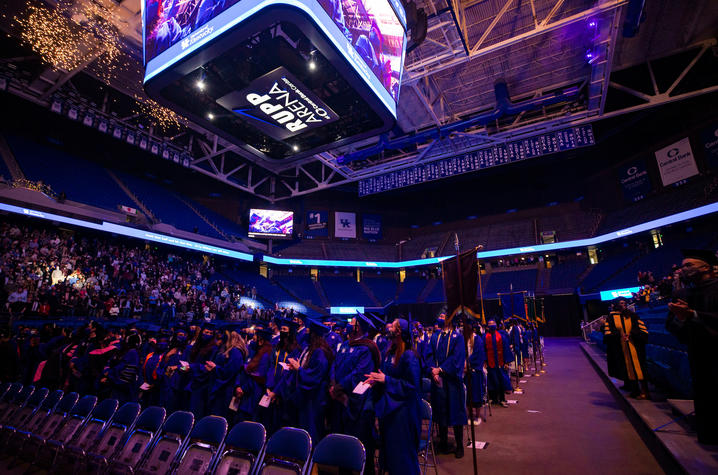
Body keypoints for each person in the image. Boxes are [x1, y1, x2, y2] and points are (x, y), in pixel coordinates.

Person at [666, 249, 718, 445]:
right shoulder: (682, 293)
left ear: (705, 266)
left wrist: (693, 315)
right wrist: (681, 319)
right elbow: (670, 324)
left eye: (689, 265)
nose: (683, 269)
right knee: (704, 396)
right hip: (698, 353)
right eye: (682, 265)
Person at [366, 318, 421, 475]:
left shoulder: (409, 355)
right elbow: (386, 375)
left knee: (402, 458)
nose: (389, 328)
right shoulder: (390, 351)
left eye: (393, 326)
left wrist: (386, 380)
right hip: (390, 411)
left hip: (404, 414)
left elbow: (411, 386)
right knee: (390, 455)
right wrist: (377, 378)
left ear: (399, 332)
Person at [330, 312, 380, 475]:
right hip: (339, 400)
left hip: (358, 402)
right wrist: (333, 384)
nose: (348, 325)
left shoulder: (367, 348)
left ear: (358, 328)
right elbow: (334, 366)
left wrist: (339, 388)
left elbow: (359, 374)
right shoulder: (345, 345)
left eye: (352, 323)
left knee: (361, 441)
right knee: (342, 441)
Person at [286, 319, 333, 442]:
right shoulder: (309, 348)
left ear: (313, 334)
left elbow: (316, 375)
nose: (305, 333)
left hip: (314, 397)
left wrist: (299, 369)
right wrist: (297, 367)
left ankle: (311, 457)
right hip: (305, 396)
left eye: (308, 331)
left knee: (311, 429)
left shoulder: (320, 351)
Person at [428, 314, 467, 458]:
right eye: (439, 315)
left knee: (456, 412)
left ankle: (459, 445)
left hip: (452, 382)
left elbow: (457, 358)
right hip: (438, 380)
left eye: (443, 315)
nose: (440, 317)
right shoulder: (434, 337)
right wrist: (433, 371)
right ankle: (443, 442)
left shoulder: (458, 337)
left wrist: (441, 369)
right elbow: (428, 355)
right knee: (440, 411)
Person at [603, 298, 649, 399]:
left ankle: (645, 392)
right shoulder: (611, 317)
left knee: (640, 368)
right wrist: (620, 336)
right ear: (616, 305)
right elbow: (608, 333)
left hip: (635, 346)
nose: (622, 305)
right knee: (628, 368)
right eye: (620, 303)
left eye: (624, 303)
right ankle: (635, 391)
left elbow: (643, 330)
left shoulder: (633, 315)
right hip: (621, 347)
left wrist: (631, 334)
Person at [483, 319, 513, 407]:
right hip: (490, 363)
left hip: (500, 363)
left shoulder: (501, 336)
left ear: (496, 325)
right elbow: (483, 350)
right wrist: (484, 361)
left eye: (493, 323)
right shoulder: (485, 337)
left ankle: (502, 399)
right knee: (492, 381)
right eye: (490, 324)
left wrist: (507, 362)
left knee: (501, 380)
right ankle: (493, 399)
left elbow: (506, 349)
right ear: (487, 326)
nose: (491, 325)